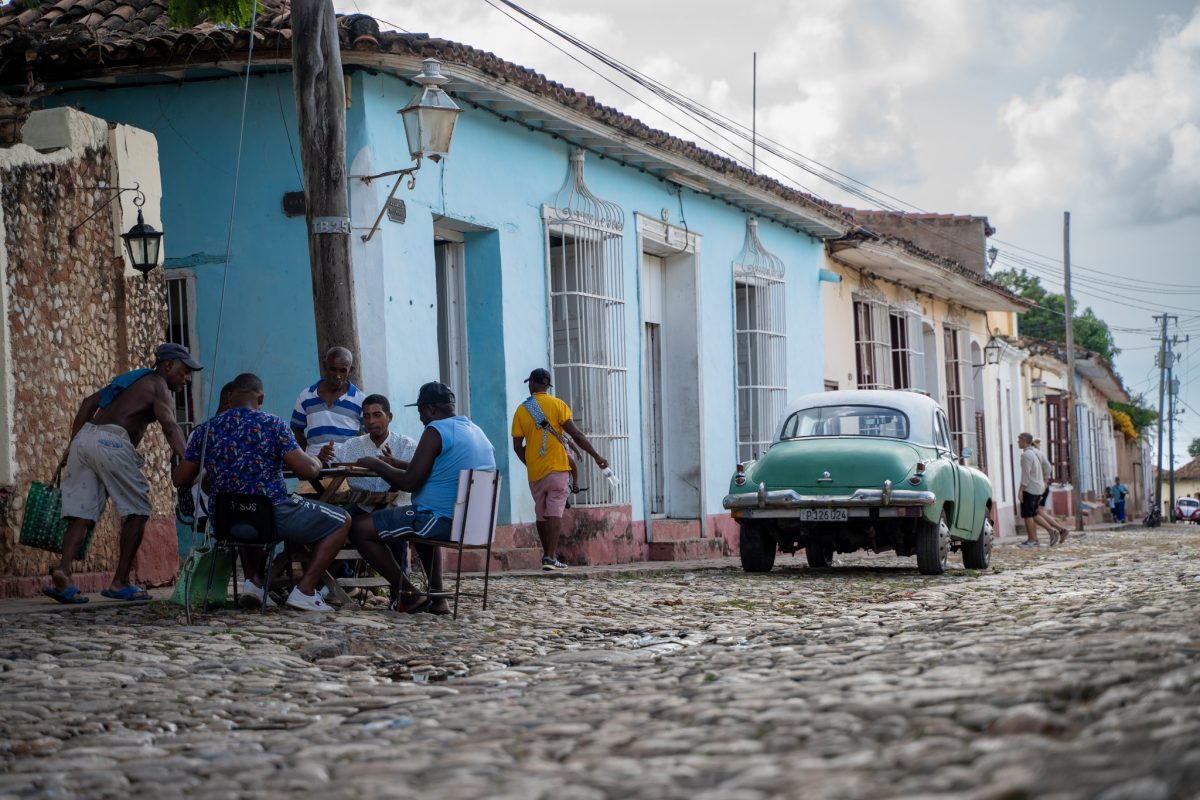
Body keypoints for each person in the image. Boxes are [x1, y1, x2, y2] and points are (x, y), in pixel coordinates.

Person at [173, 372, 350, 612]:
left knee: (249, 512)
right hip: (270, 515)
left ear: (230, 397)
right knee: (342, 520)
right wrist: (317, 461)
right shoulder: (273, 424)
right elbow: (307, 471)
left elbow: (179, 479)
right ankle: (305, 590)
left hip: (225, 519)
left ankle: (253, 585)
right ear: (261, 399)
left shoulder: (207, 429)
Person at [44, 343, 201, 604]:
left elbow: (88, 403)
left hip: (85, 439)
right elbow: (170, 426)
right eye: (184, 371)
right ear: (168, 365)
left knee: (82, 515)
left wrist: (73, 444)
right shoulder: (158, 385)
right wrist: (189, 461)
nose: (187, 379)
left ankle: (64, 573)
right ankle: (120, 582)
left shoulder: (131, 380)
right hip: (111, 442)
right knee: (138, 510)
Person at [348, 382, 496, 616]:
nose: (420, 419)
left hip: (439, 520)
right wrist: (398, 463)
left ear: (430, 409)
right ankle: (438, 599)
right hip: (472, 524)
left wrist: (375, 464)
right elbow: (438, 470)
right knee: (420, 523)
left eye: (420, 412)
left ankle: (409, 594)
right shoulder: (475, 430)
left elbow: (409, 483)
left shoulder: (436, 430)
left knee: (358, 528)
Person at [510, 368, 608, 571]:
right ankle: (550, 556)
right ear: (547, 386)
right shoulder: (558, 405)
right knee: (555, 509)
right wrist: (596, 456)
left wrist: (530, 463)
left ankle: (547, 556)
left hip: (535, 472)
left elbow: (517, 446)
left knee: (541, 512)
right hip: (558, 468)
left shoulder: (521, 410)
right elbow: (577, 435)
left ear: (531, 383)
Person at [333, 394, 417, 514]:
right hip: (362, 506)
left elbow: (412, 477)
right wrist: (322, 457)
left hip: (398, 508)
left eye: (377, 415)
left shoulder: (406, 445)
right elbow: (329, 463)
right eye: (366, 416)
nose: (371, 421)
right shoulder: (351, 445)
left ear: (389, 417)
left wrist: (392, 464)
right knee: (336, 519)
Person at [291, 346, 364, 457]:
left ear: (350, 371)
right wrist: (306, 457)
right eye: (333, 369)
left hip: (348, 464)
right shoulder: (306, 396)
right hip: (314, 464)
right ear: (325, 366)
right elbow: (296, 429)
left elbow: (371, 433)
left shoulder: (360, 399)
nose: (338, 376)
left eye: (343, 371)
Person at [1031, 438, 1068, 544]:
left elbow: (1047, 468)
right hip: (1041, 486)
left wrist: (1045, 481)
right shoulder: (1037, 454)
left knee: (1034, 513)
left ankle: (1055, 531)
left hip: (1040, 487)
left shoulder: (1035, 455)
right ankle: (1060, 530)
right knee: (1040, 512)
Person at [1017, 432, 1046, 548]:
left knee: (1027, 515)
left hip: (1030, 489)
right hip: (1037, 487)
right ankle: (1035, 538)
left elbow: (1026, 475)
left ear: (1024, 441)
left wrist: (1021, 490)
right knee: (1032, 514)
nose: (1018, 442)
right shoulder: (1034, 453)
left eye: (1019, 440)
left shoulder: (1026, 455)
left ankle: (1032, 539)